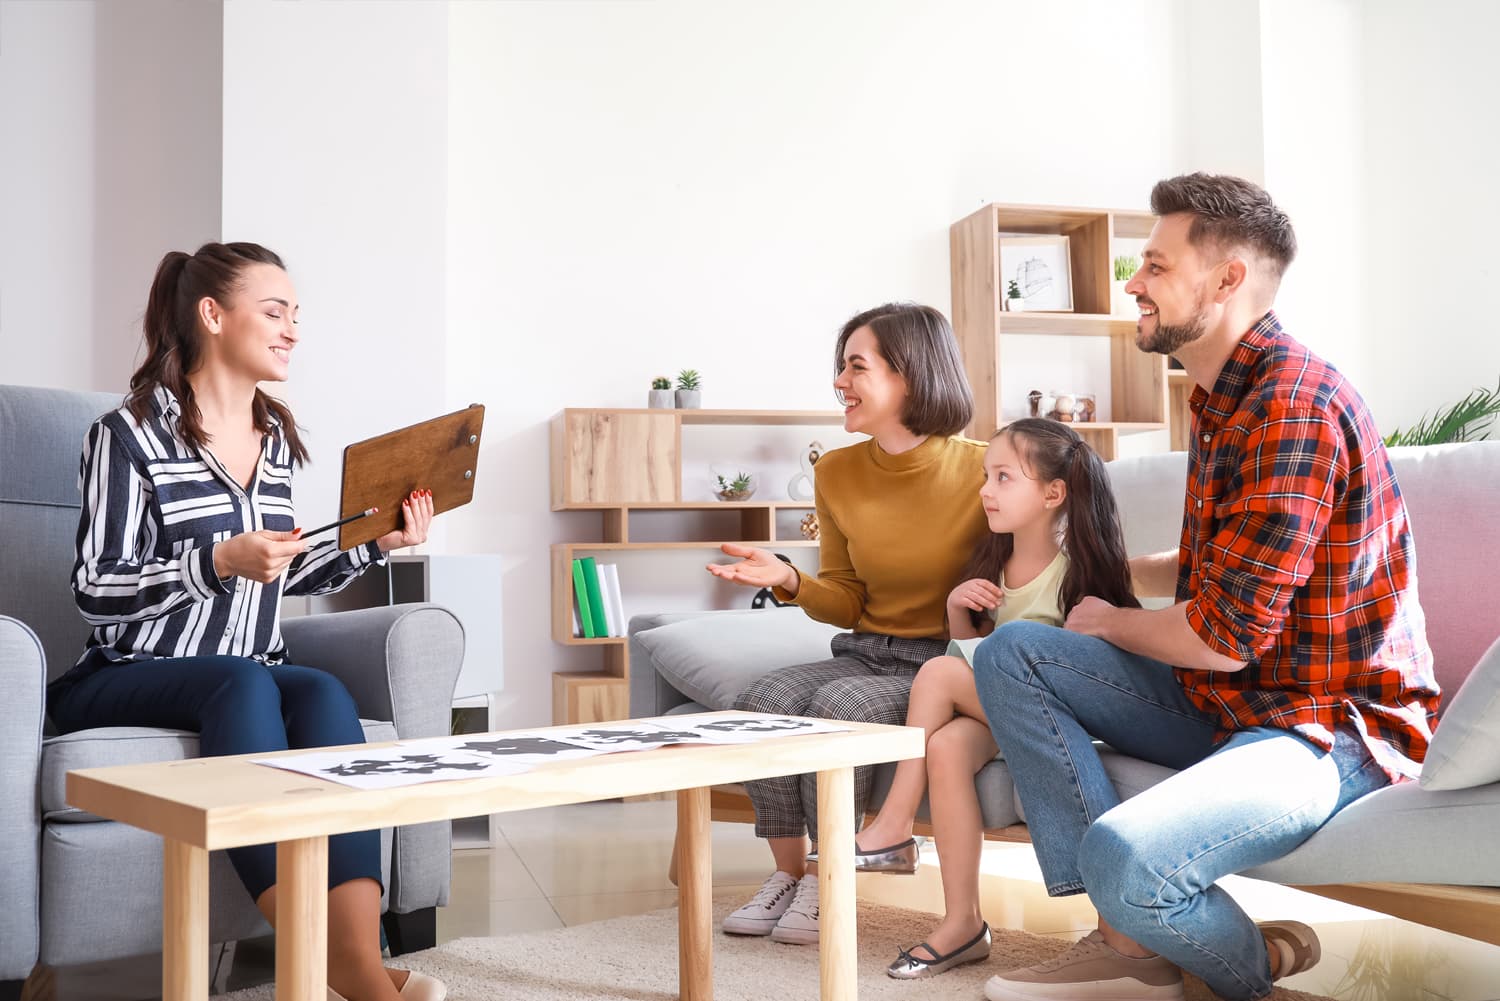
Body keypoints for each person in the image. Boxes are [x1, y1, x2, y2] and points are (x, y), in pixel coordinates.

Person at [973, 174, 1441, 1001]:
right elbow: (1215, 571)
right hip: (1233, 704)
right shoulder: (1221, 398)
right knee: (1013, 650)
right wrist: (1109, 576)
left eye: (1154, 265)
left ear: (1226, 281)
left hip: (1326, 724)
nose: (1133, 283)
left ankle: (1240, 964)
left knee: (1125, 856)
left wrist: (1113, 621)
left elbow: (1222, 640)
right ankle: (1127, 936)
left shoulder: (1292, 405)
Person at [46, 243, 445, 1001]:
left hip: (244, 667)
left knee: (321, 690)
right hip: (125, 674)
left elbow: (283, 567)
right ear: (212, 315)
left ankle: (355, 960)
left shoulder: (277, 441)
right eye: (275, 311)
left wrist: (375, 543)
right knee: (240, 683)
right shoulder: (126, 437)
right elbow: (95, 590)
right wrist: (216, 560)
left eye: (297, 315)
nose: (292, 329)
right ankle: (345, 972)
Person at [705, 302, 988, 945]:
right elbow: (850, 598)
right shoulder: (835, 470)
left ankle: (831, 877)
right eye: (840, 365)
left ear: (911, 376)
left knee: (839, 705)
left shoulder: (983, 468)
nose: (839, 381)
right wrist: (788, 579)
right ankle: (791, 877)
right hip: (868, 646)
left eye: (856, 366)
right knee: (764, 699)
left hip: (943, 662)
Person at [857, 419, 1138, 979]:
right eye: (987, 476)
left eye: (1004, 477)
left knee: (936, 676)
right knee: (946, 748)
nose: (985, 489)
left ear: (1053, 493)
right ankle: (962, 923)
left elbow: (1087, 675)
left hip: (1053, 722)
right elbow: (978, 657)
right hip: (995, 715)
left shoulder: (1078, 571)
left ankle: (893, 824)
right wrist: (958, 612)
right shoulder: (995, 563)